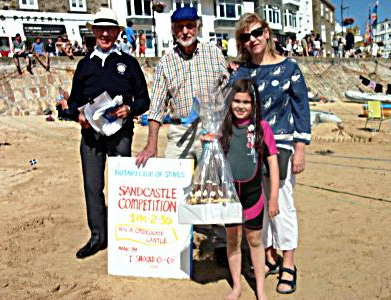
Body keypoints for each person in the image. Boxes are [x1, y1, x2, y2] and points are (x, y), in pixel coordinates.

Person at [230, 12, 311, 294]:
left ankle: (288, 261)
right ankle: (267, 254)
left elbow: (302, 109)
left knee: (282, 203)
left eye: (256, 33)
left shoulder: (290, 68)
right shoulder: (240, 73)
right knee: (257, 204)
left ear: (267, 33)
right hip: (251, 145)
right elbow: (233, 109)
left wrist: (300, 148)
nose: (252, 40)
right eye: (245, 36)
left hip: (283, 144)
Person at [67, 7, 150, 259]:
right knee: (93, 186)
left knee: (122, 186)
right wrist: (78, 115)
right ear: (93, 31)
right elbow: (73, 102)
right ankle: (97, 237)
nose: (105, 33)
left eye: (110, 28)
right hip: (91, 136)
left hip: (120, 135)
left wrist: (129, 108)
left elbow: (144, 100)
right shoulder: (84, 65)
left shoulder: (129, 63)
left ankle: (123, 234)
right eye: (100, 28)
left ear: (117, 32)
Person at [136, 6, 229, 166]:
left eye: (190, 26)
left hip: (210, 131)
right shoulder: (166, 61)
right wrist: (151, 144)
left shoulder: (214, 54)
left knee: (209, 186)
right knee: (175, 186)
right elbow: (157, 106)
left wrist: (224, 129)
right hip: (179, 133)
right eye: (180, 27)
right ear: (173, 30)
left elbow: (228, 93)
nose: (185, 31)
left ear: (198, 27)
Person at [221, 79, 279, 300]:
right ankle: (236, 286)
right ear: (230, 102)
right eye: (236, 101)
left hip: (253, 195)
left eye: (246, 102)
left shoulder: (262, 129)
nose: (240, 106)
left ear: (254, 105)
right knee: (233, 239)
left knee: (255, 240)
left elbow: (272, 162)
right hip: (230, 196)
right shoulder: (223, 127)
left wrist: (273, 197)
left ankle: (260, 289)